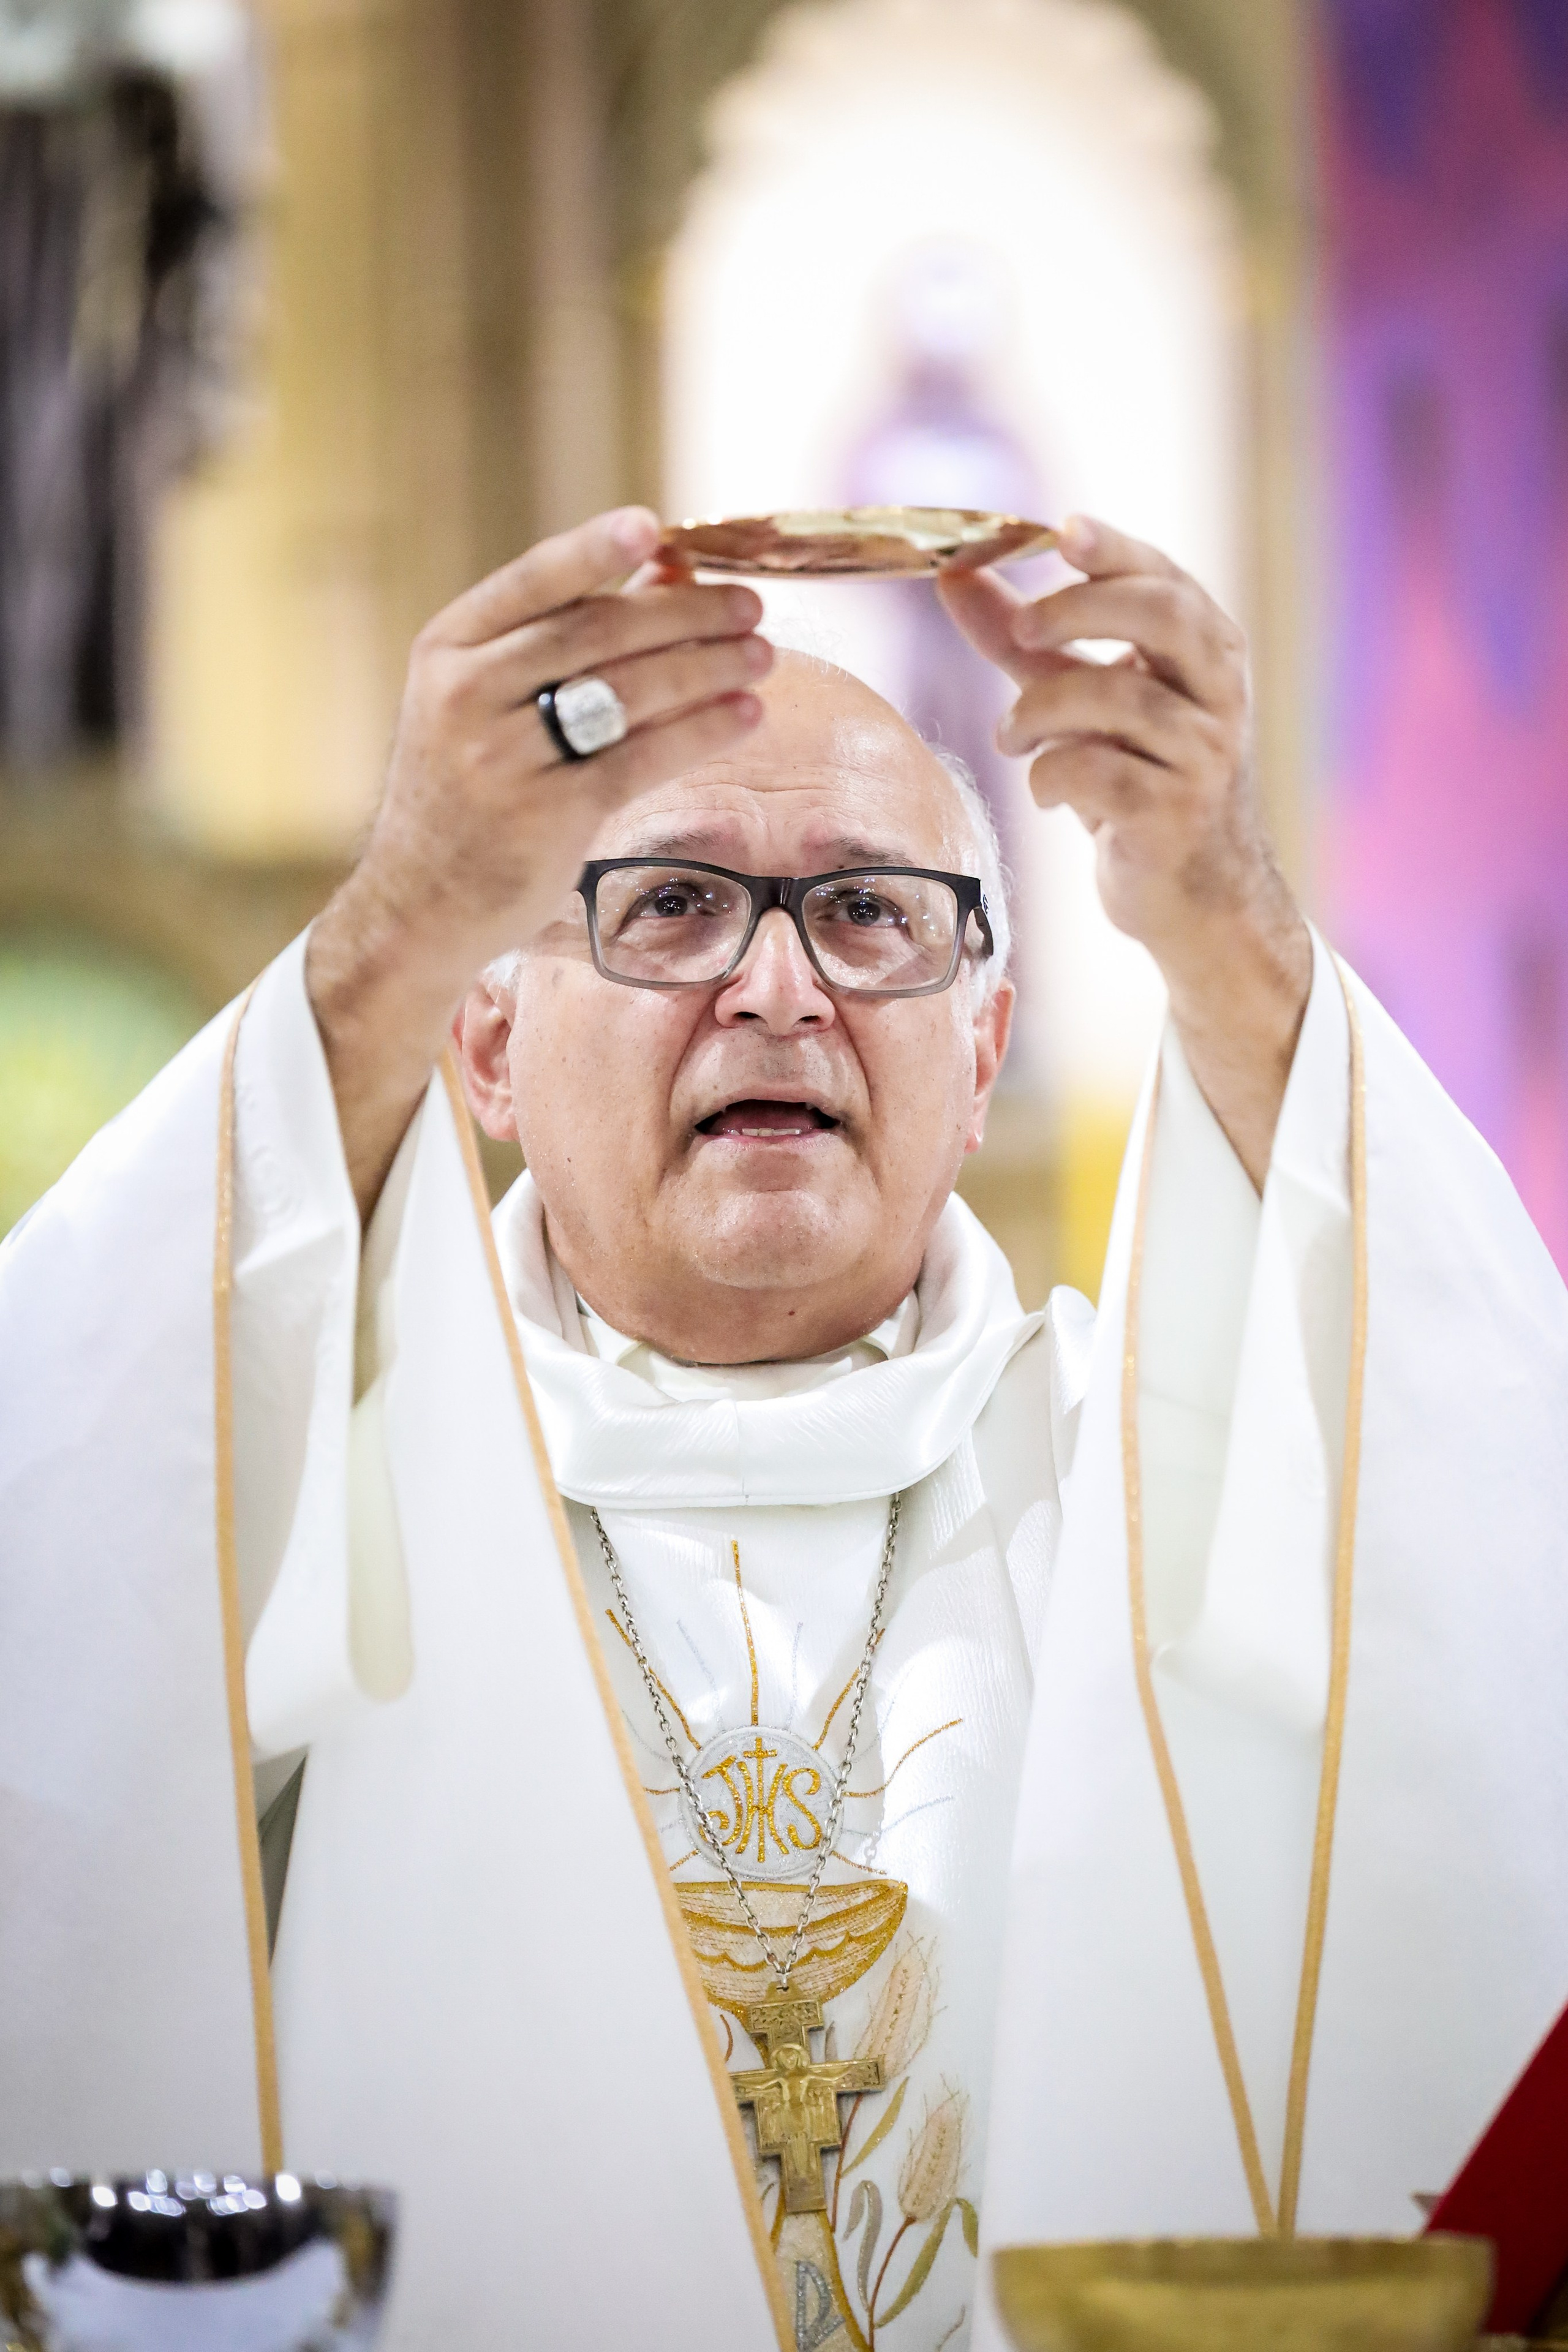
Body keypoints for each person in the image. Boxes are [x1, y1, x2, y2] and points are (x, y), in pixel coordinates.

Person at [4, 506, 1568, 2352]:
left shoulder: (1157, 1486)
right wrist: (394, 921)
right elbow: (58, 1556)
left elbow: (1480, 1551)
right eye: (671, 905)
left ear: (980, 1055)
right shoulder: (321, 1483)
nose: (776, 987)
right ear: (485, 1047)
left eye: (868, 913)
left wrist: (1230, 924)